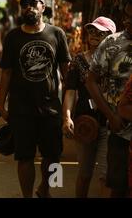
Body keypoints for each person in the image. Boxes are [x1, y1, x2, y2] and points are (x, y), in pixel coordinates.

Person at [0, 0, 71, 198]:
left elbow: (67, 75)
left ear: (43, 7)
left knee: (54, 156)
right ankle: (27, 196)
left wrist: (67, 111)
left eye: (33, 3)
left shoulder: (57, 34)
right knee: (25, 157)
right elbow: (7, 72)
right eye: (24, 4)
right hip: (21, 109)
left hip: (51, 107)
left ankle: (47, 189)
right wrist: (1, 104)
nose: (28, 7)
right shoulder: (13, 37)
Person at [62, 17, 116, 197]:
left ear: (110, 36)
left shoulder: (117, 62)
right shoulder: (78, 61)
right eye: (92, 31)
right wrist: (67, 117)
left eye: (100, 32)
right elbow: (70, 91)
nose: (94, 35)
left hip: (110, 124)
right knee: (85, 173)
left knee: (105, 175)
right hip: (85, 123)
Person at [85, 0, 132, 198]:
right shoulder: (113, 43)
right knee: (117, 185)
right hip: (120, 128)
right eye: (129, 15)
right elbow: (91, 81)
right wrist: (111, 116)